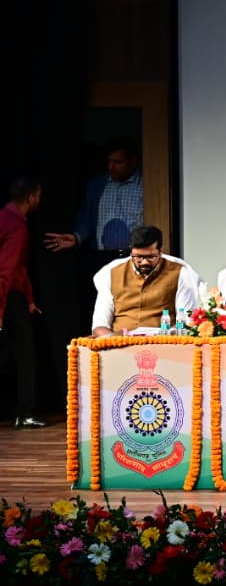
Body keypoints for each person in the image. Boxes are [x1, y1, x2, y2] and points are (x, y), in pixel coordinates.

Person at [44, 135, 144, 265]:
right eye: (109, 161)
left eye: (118, 162)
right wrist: (77, 237)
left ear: (133, 162)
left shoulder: (146, 184)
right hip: (103, 258)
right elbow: (87, 216)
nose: (111, 167)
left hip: (136, 258)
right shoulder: (97, 184)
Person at [90, 225, 200, 336]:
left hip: (163, 342)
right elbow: (99, 325)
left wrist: (162, 337)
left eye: (151, 257)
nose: (144, 262)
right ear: (131, 252)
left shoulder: (179, 273)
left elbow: (186, 321)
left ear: (160, 251)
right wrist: (114, 339)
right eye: (138, 257)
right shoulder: (112, 273)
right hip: (119, 342)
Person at [1, 177, 44, 428]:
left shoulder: (4, 217)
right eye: (38, 195)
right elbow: (6, 271)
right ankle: (24, 413)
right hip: (7, 296)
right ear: (30, 197)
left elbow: (19, 268)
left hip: (13, 295)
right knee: (24, 355)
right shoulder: (16, 226)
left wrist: (29, 299)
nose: (39, 200)